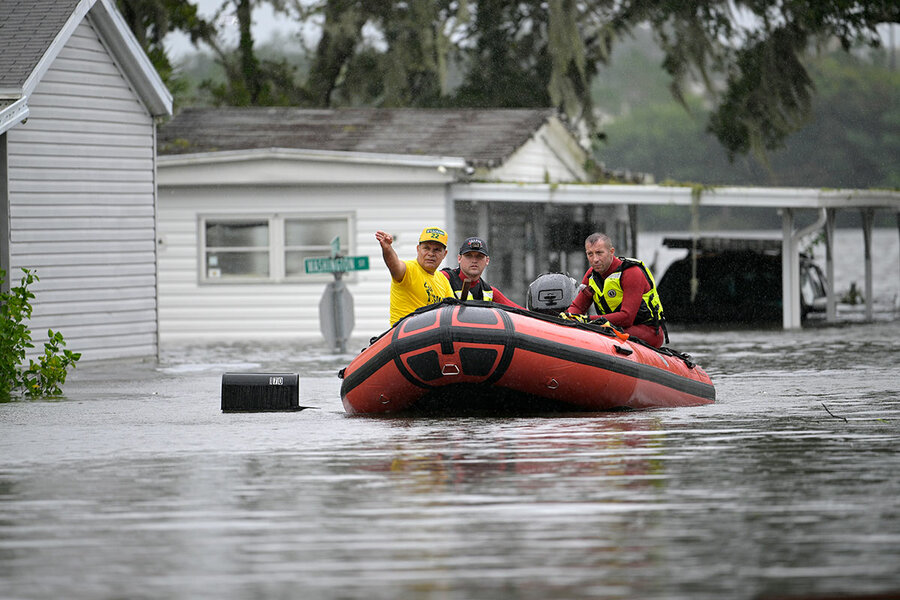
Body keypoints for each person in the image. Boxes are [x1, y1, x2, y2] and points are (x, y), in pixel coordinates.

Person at [564, 232, 667, 347]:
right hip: (611, 327)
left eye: (599, 253)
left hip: (648, 330)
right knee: (593, 330)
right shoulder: (591, 276)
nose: (595, 259)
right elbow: (578, 307)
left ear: (611, 252)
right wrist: (568, 317)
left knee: (600, 332)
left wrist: (587, 320)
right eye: (590, 254)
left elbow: (627, 317)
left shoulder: (631, 273)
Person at [376, 226, 455, 325]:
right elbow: (394, 265)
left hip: (432, 335)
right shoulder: (408, 269)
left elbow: (452, 310)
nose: (431, 254)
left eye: (437, 250)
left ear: (444, 254)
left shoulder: (443, 280)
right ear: (418, 249)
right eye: (426, 248)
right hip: (406, 335)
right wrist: (387, 248)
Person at [441, 237, 525, 309]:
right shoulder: (443, 278)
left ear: (487, 261)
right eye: (469, 256)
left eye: (479, 256)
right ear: (459, 259)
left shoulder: (489, 291)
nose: (474, 261)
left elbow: (518, 311)